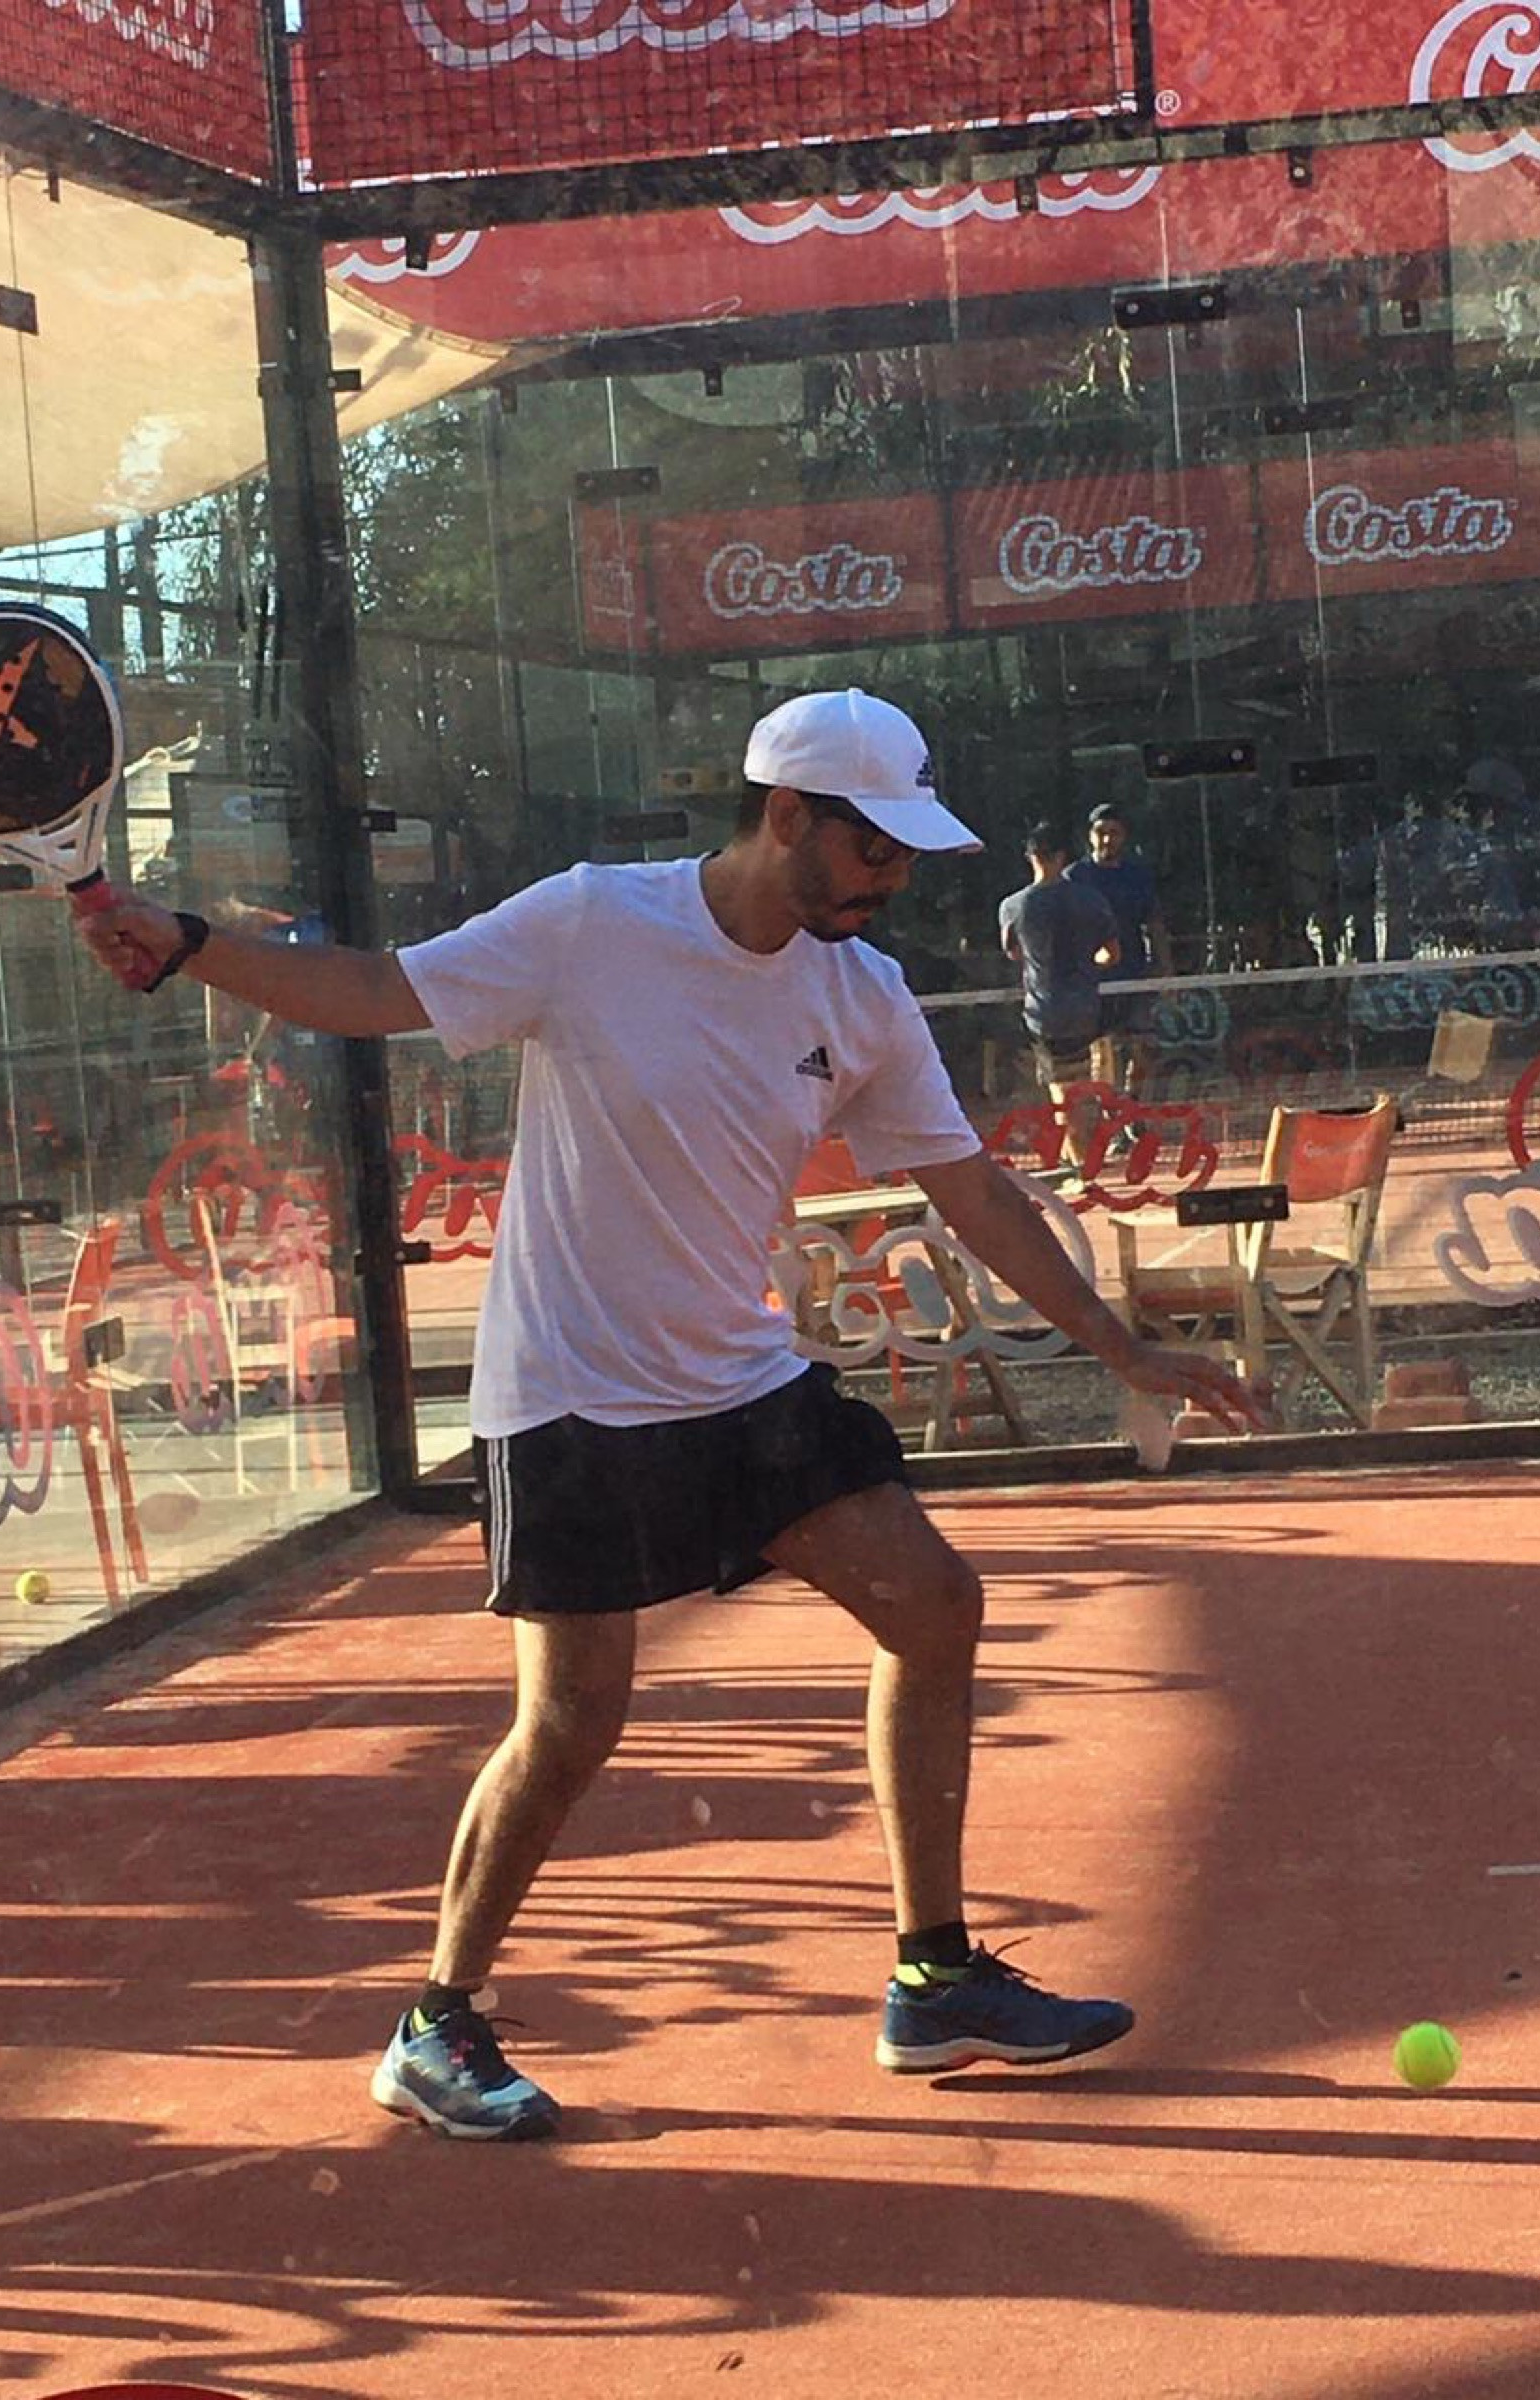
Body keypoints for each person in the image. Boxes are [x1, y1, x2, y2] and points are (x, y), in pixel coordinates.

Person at [77, 686, 1265, 2142]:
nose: (894, 876)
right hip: (571, 1390)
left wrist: (1119, 1346)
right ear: (789, 817)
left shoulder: (861, 995)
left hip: (739, 1379)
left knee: (934, 1606)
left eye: (906, 851)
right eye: (874, 846)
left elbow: (972, 1191)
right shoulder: (592, 921)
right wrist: (192, 941)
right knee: (573, 1724)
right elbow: (381, 991)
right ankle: (435, 2025)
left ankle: (934, 1977)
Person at [998, 820, 1119, 1169]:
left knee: (1064, 1091)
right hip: (1086, 1009)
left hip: (1043, 1012)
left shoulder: (1012, 906)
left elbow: (1013, 952)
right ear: (1063, 857)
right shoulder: (1091, 900)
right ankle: (1078, 1158)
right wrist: (1088, 965)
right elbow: (1112, 953)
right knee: (1080, 1087)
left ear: (1030, 857)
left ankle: (1081, 1165)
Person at [1065, 804, 1172, 1105]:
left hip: (1134, 975)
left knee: (1144, 1047)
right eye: (1101, 832)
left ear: (1124, 837)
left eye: (1114, 833)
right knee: (1104, 1051)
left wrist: (1166, 970)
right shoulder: (1075, 877)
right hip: (1092, 982)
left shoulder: (1137, 875)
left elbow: (1154, 924)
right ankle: (1109, 1114)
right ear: (1090, 836)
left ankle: (1131, 1107)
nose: (1107, 839)